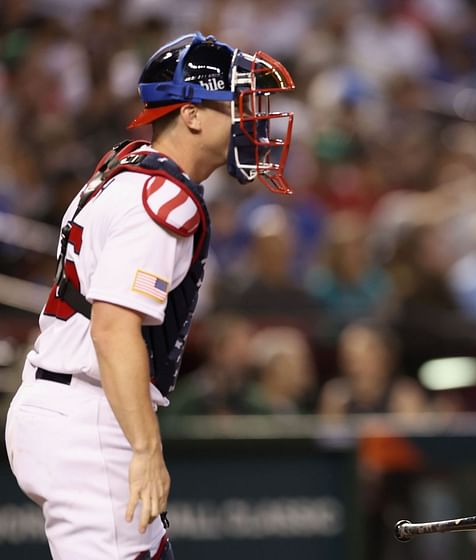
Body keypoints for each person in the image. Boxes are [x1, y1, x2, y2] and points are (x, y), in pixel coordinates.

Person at [4, 32, 296, 559]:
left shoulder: (128, 166)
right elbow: (113, 326)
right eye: (236, 104)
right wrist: (145, 446)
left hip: (70, 400)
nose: (251, 120)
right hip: (91, 413)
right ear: (191, 114)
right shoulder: (163, 196)